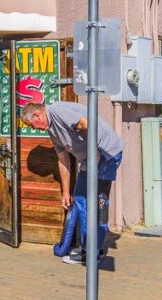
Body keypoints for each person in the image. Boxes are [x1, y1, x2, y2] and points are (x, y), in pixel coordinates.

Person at [21, 101, 124, 265]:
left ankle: (91, 253)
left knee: (98, 202)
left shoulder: (58, 112)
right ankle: (91, 249)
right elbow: (63, 160)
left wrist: (96, 150)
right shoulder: (52, 130)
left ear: (37, 115)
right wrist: (65, 192)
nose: (34, 129)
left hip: (106, 154)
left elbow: (86, 123)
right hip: (92, 157)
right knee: (81, 198)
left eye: (31, 125)